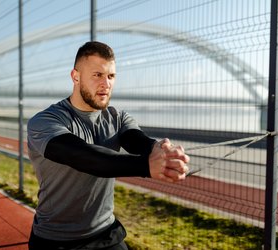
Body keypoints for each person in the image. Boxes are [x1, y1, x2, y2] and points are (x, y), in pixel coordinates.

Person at [27, 41, 190, 249]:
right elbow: (88, 158)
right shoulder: (45, 122)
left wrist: (161, 151)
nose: (106, 84)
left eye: (111, 76)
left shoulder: (117, 117)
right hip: (56, 240)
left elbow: (137, 141)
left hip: (106, 232)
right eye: (97, 75)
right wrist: (146, 166)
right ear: (75, 77)